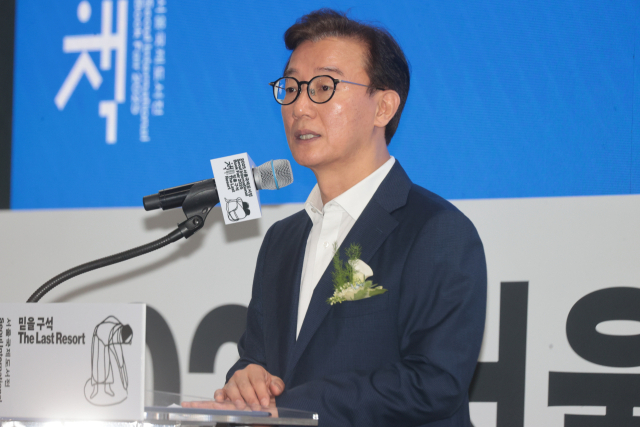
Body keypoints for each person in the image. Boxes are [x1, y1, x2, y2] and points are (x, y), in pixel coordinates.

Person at [188, 9, 487, 426]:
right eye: (291, 87)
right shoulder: (282, 240)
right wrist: (247, 379)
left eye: (323, 87)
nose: (300, 107)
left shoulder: (435, 230)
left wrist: (296, 406)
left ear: (383, 107)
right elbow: (259, 359)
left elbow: (434, 382)